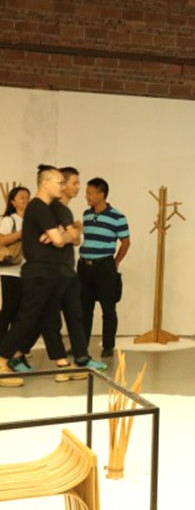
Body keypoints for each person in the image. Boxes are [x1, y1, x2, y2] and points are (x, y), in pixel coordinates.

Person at [0, 165, 83, 387]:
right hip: (39, 274)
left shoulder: (47, 208)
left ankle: (62, 364)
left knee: (50, 319)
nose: (63, 187)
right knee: (27, 319)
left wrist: (66, 233)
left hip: (49, 274)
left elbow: (71, 236)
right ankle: (1, 361)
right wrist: (63, 235)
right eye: (59, 183)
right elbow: (59, 240)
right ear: (45, 183)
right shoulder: (38, 207)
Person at [47, 167, 107, 371]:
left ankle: (81, 356)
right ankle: (13, 355)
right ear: (62, 185)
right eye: (75, 183)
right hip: (53, 272)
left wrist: (72, 233)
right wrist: (70, 234)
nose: (79, 188)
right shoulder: (52, 209)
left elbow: (74, 240)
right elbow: (56, 239)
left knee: (75, 314)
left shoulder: (65, 210)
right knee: (45, 319)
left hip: (68, 271)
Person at [78, 177, 130, 358]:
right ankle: (81, 346)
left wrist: (115, 262)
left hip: (104, 267)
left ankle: (108, 345)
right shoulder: (86, 214)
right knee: (84, 309)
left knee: (108, 309)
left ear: (101, 195)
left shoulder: (118, 217)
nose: (86, 196)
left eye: (90, 193)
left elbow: (125, 242)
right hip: (84, 267)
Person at [0, 186, 30, 344]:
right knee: (9, 309)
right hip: (10, 271)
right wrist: (20, 233)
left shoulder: (32, 220)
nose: (26, 200)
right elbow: (1, 240)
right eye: (22, 197)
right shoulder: (9, 220)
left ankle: (15, 345)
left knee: (22, 311)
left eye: (28, 197)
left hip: (27, 271)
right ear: (13, 202)